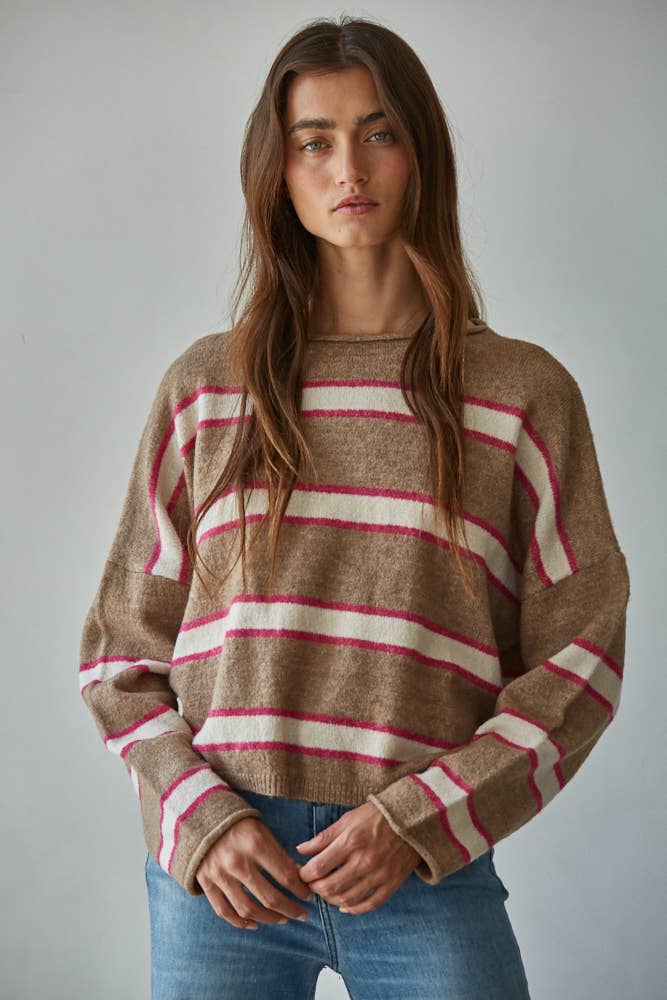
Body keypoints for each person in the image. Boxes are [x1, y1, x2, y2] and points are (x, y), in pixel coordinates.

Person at [79, 15, 630, 1000]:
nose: (348, 168)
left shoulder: (519, 395)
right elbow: (120, 654)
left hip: (421, 868)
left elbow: (579, 660)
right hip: (224, 874)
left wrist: (422, 818)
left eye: (378, 133)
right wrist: (200, 817)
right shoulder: (207, 390)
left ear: (421, 156)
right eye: (314, 141)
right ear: (277, 173)